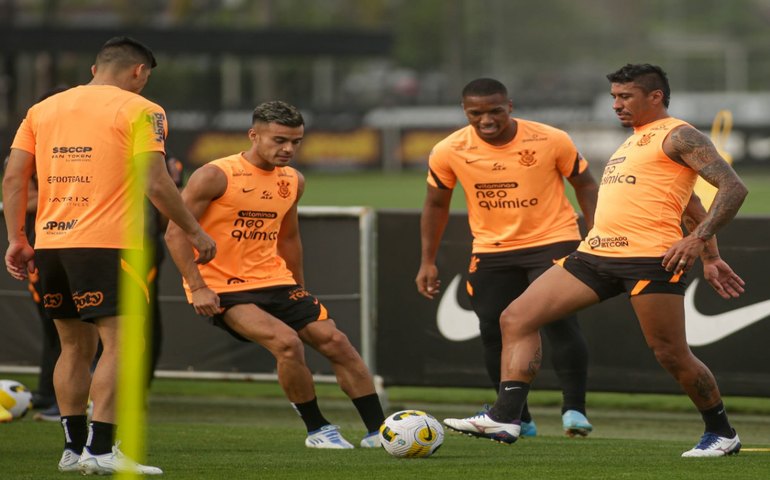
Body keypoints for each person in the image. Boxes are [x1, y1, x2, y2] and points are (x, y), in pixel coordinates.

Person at [443, 64, 748, 458]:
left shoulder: (679, 134)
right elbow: (689, 203)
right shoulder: (634, 140)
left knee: (671, 353)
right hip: (595, 254)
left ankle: (722, 432)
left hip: (649, 259)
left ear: (655, 97)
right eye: (614, 98)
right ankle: (506, 416)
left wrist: (700, 243)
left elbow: (733, 187)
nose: (617, 105)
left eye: (626, 97)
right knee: (515, 318)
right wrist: (712, 257)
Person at [3, 36, 216, 474]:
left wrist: (16, 239)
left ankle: (72, 449)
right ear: (139, 72)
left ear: (95, 68)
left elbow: (13, 179)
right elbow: (157, 183)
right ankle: (101, 451)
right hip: (109, 243)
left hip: (51, 243)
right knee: (123, 344)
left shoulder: (42, 110)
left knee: (73, 347)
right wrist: (194, 231)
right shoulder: (143, 110)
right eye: (146, 78)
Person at [164, 100, 386, 450]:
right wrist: (197, 287)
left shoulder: (293, 181)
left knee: (337, 342)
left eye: (296, 141)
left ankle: (380, 432)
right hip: (224, 287)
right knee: (287, 343)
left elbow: (289, 237)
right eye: (279, 140)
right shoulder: (215, 175)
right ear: (254, 135)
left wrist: (298, 287)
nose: (289, 149)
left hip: (277, 281)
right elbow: (175, 233)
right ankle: (318, 429)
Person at [416, 78, 599, 436]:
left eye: (495, 110)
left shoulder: (550, 139)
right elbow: (436, 204)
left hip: (553, 240)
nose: (487, 119)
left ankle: (574, 410)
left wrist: (595, 235)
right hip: (491, 249)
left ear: (510, 106)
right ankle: (517, 416)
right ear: (465, 111)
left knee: (559, 324)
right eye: (476, 113)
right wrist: (427, 260)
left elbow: (586, 184)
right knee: (492, 330)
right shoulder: (448, 150)